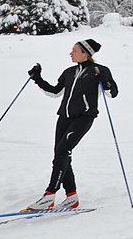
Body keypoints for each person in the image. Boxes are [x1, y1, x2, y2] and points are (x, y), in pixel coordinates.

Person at [23, 38, 119, 211]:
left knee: (62, 151)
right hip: (63, 118)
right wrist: (37, 78)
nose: (70, 53)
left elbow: (112, 93)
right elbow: (55, 92)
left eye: (74, 50)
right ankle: (71, 196)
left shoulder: (100, 70)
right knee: (61, 154)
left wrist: (105, 79)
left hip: (83, 118)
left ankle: (49, 195)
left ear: (86, 53)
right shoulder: (69, 71)